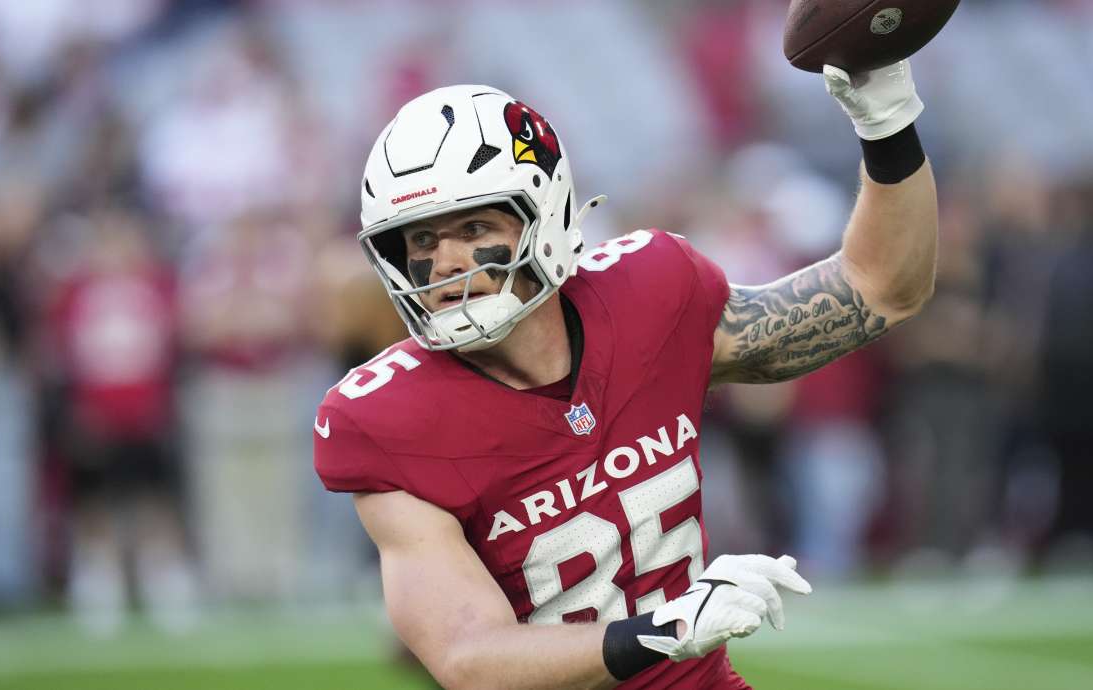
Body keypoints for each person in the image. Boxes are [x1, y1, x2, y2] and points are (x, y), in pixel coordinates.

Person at [314, 59, 937, 689]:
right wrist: (665, 629)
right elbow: (470, 661)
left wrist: (887, 124)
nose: (444, 263)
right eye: (420, 242)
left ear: (544, 216)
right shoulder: (384, 419)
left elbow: (880, 289)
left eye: (473, 228)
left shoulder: (650, 296)